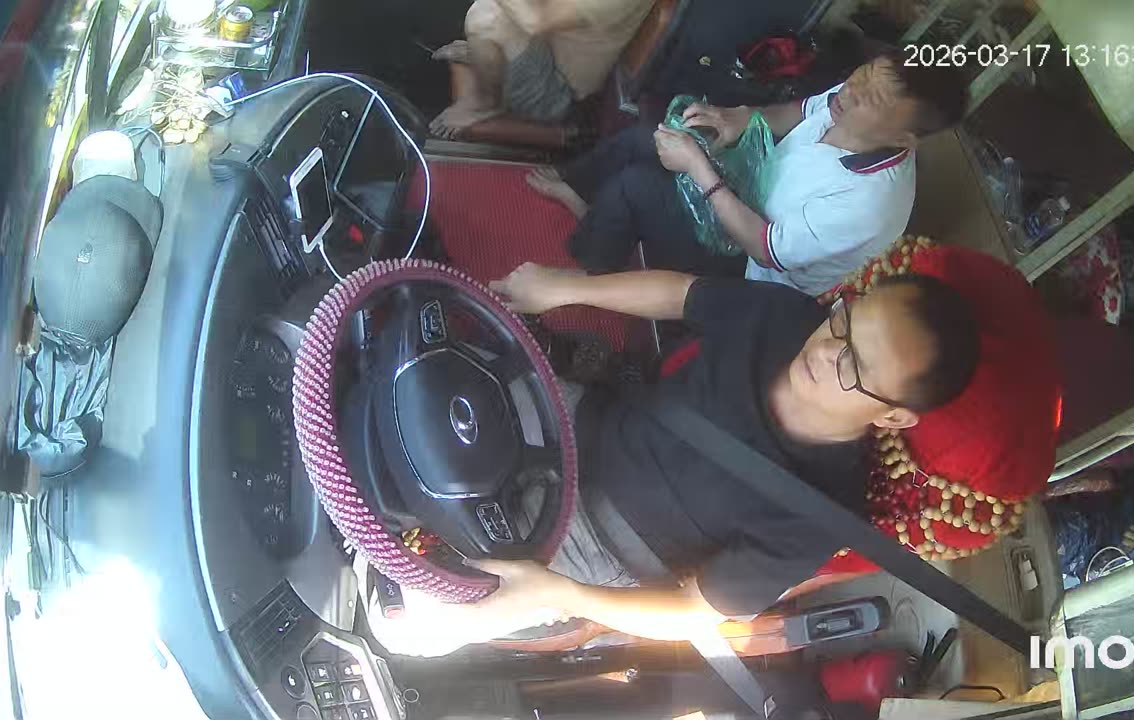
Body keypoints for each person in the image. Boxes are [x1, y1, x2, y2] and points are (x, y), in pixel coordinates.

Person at [368, 262, 979, 653]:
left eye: (855, 366)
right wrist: (563, 288)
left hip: (595, 547)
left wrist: (556, 595)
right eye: (844, 322)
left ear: (892, 417)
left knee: (408, 624)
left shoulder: (821, 514)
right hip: (580, 422)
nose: (825, 351)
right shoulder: (788, 317)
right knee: (406, 386)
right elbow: (682, 295)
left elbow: (693, 613)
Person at [526, 54, 968, 295]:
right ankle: (582, 195)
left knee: (636, 189)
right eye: (864, 72)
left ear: (905, 138)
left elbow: (765, 249)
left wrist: (698, 167)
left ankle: (592, 274)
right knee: (647, 137)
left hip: (749, 270)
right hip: (752, 188)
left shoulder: (870, 204)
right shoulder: (850, 96)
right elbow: (799, 110)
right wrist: (739, 117)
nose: (851, 91)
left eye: (871, 98)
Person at [429, 0, 655, 139]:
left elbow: (534, 20)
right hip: (544, 46)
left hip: (557, 92)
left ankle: (485, 104)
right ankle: (492, 53)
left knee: (486, 18)